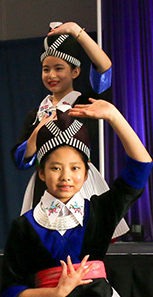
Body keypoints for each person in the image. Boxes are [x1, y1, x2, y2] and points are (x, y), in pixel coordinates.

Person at [1, 103, 153, 297]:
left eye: (74, 168)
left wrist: (113, 115)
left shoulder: (101, 209)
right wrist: (55, 293)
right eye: (55, 168)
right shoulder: (24, 225)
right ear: (41, 173)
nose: (65, 177)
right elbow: (10, 292)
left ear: (86, 174)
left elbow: (141, 166)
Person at [11, 22, 128, 238]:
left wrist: (76, 32)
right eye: (46, 69)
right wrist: (37, 132)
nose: (51, 75)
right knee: (47, 243)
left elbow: (105, 67)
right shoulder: (36, 114)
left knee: (88, 240)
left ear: (75, 71)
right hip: (46, 184)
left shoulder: (86, 103)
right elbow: (20, 160)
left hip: (80, 181)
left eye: (59, 68)